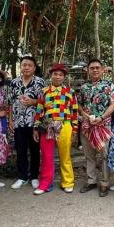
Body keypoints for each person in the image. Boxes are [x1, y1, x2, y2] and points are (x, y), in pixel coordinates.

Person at [33, 63, 78, 195]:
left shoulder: (70, 92)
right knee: (47, 156)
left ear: (64, 77)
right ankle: (45, 184)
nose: (57, 77)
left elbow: (74, 111)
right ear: (51, 75)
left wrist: (75, 129)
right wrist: (36, 127)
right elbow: (39, 110)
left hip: (65, 125)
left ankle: (68, 182)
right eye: (55, 74)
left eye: (60, 75)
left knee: (65, 156)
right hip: (48, 125)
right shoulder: (44, 91)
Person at [78, 59, 114, 197]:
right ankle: (91, 180)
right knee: (89, 155)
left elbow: (113, 104)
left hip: (103, 125)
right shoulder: (84, 87)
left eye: (97, 68)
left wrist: (101, 117)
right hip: (87, 126)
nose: (95, 70)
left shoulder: (109, 85)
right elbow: (79, 104)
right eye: (92, 68)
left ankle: (105, 182)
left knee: (104, 155)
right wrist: (84, 114)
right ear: (88, 70)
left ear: (102, 70)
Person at [9, 56, 45, 190]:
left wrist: (33, 101)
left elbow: (45, 102)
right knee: (20, 150)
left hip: (34, 122)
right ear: (21, 67)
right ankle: (22, 177)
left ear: (34, 68)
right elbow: (10, 102)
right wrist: (10, 120)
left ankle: (34, 176)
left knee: (35, 150)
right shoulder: (14, 82)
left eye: (30, 65)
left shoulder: (40, 82)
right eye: (24, 65)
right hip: (18, 122)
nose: (26, 67)